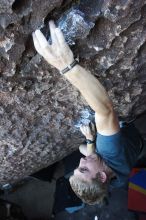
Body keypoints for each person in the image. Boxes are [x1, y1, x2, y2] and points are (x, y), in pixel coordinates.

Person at [32, 21, 143, 205]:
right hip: (124, 132)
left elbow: (83, 150)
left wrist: (90, 142)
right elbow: (105, 110)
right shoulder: (109, 150)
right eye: (84, 169)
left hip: (136, 144)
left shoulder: (117, 179)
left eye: (78, 167)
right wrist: (66, 65)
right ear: (101, 177)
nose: (81, 161)